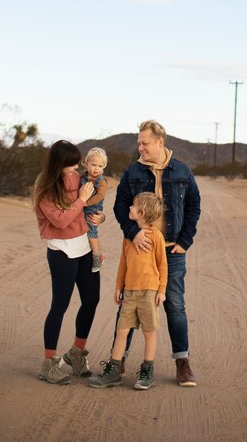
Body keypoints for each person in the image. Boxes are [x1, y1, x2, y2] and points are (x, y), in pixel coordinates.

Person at [113, 120, 201, 387]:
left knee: (174, 303)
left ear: (160, 142)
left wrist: (185, 241)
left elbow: (194, 207)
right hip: (140, 248)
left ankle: (182, 362)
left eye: (144, 143)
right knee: (128, 303)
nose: (140, 148)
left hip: (171, 250)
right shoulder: (133, 172)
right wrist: (133, 232)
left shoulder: (182, 172)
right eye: (139, 143)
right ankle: (119, 361)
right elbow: (120, 206)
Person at [33, 140, 103, 385]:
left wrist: (99, 216)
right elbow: (61, 221)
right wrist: (82, 200)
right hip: (61, 251)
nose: (75, 168)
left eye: (77, 163)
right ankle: (49, 363)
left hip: (84, 247)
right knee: (59, 305)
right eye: (71, 163)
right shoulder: (44, 189)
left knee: (92, 299)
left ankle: (75, 353)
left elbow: (88, 206)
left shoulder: (76, 177)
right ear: (58, 163)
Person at [89, 192, 167, 390]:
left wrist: (161, 290)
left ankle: (147, 371)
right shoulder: (129, 236)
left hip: (149, 292)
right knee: (122, 330)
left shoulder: (156, 236)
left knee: (149, 332)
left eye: (132, 207)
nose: (129, 209)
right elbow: (123, 264)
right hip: (130, 292)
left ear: (141, 213)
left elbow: (163, 265)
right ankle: (114, 371)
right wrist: (118, 287)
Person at [80, 147, 108, 272]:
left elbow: (100, 196)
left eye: (100, 166)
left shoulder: (101, 182)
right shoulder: (81, 177)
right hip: (81, 207)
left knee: (91, 232)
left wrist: (85, 202)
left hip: (92, 209)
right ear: (86, 164)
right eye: (93, 165)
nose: (97, 168)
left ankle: (97, 256)